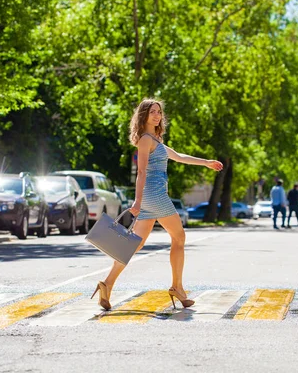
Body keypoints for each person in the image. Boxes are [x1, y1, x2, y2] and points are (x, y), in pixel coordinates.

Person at [91, 99, 223, 311]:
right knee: (179, 237)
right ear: (143, 115)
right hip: (154, 195)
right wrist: (137, 202)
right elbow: (141, 171)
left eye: (159, 112)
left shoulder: (155, 140)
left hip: (150, 197)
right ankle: (177, 287)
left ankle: (107, 284)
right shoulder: (145, 139)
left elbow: (179, 157)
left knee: (135, 244)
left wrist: (205, 162)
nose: (157, 115)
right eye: (152, 112)